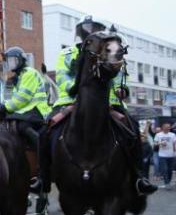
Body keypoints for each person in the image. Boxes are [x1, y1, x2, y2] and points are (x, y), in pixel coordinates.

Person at [34, 16, 157, 195]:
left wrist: (121, 90)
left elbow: (119, 78)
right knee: (45, 131)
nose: (89, 34)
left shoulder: (111, 53)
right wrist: (79, 93)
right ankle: (43, 178)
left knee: (133, 130)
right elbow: (62, 77)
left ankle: (139, 177)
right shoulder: (67, 54)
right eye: (86, 31)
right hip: (71, 102)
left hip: (108, 104)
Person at [0, 46, 51, 150]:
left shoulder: (29, 73)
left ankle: (44, 151)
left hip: (38, 110)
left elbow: (21, 99)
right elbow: (12, 99)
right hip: (27, 110)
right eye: (9, 61)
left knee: (22, 126)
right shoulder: (18, 78)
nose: (10, 63)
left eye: (13, 60)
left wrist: (4, 107)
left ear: (21, 60)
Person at [153, 122, 176, 189]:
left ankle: (168, 182)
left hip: (171, 155)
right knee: (164, 169)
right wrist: (160, 143)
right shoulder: (158, 135)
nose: (167, 128)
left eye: (169, 127)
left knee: (170, 170)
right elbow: (155, 143)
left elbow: (175, 143)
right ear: (163, 127)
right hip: (162, 155)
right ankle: (167, 183)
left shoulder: (173, 135)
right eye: (166, 127)